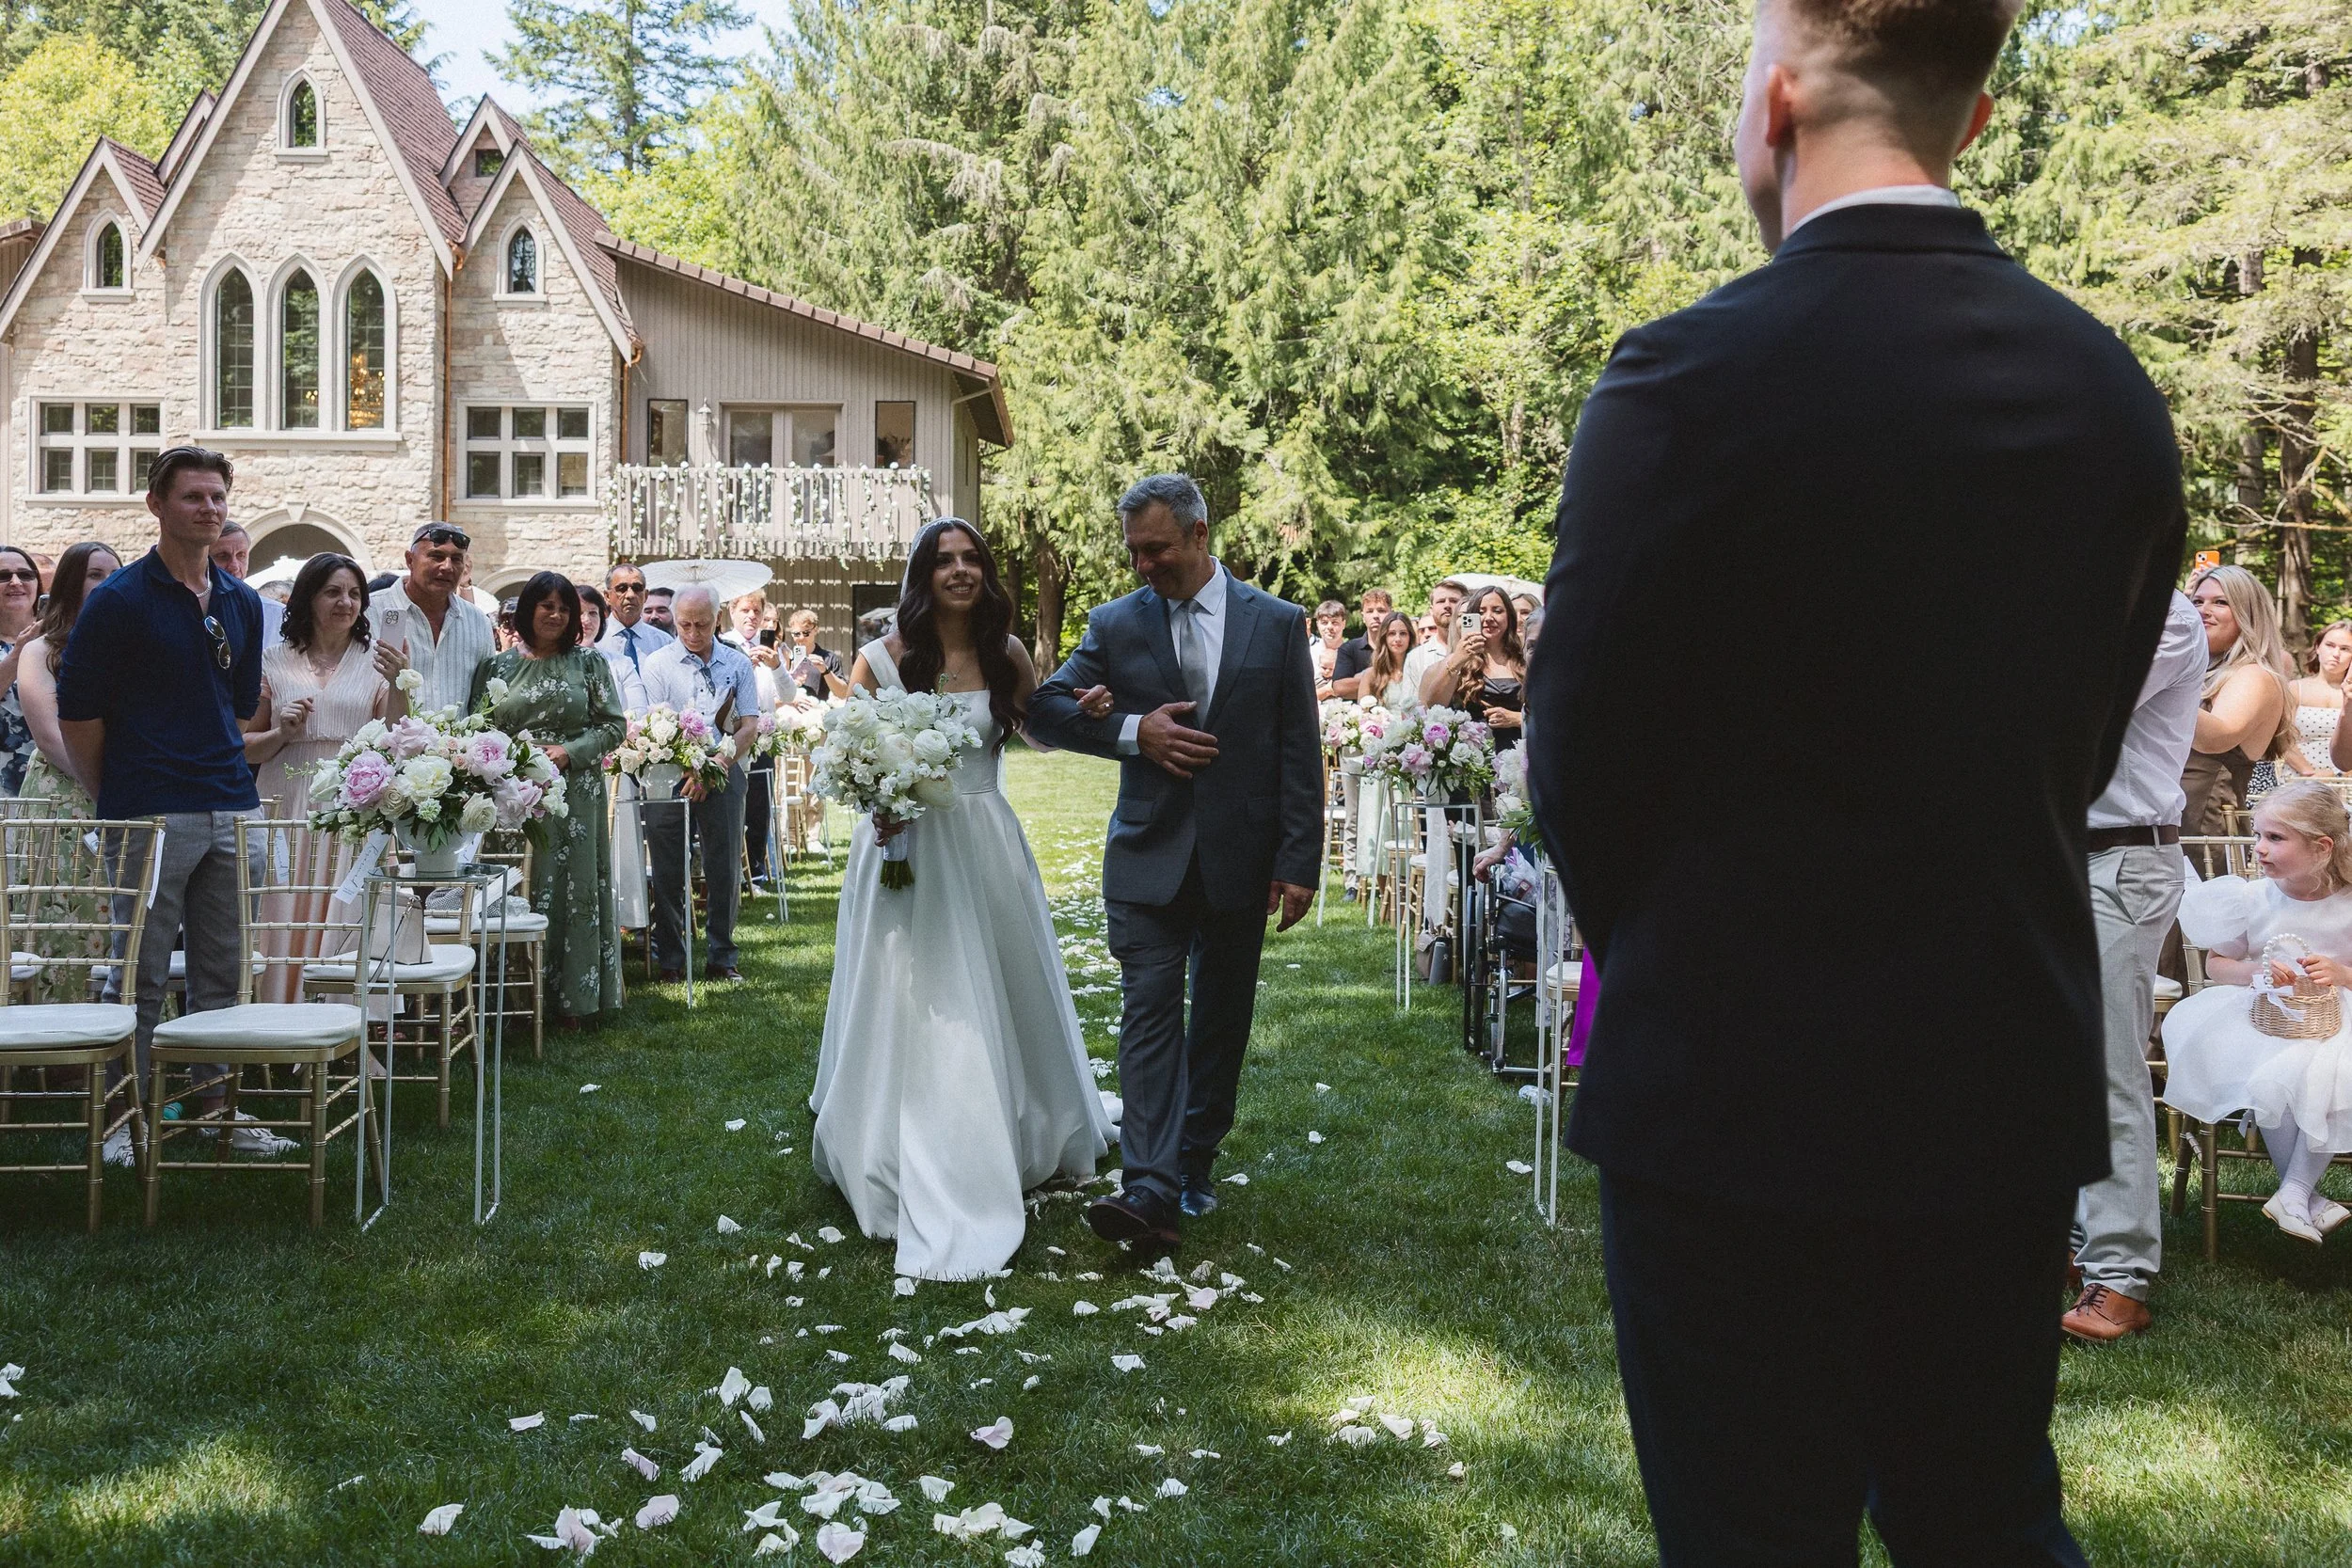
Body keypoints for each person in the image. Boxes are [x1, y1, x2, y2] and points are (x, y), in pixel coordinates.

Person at [1522, 0, 2186, 1558]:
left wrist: (1690, 959)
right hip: (1992, 1081)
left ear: (1775, 105)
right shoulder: (2112, 401)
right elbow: (2076, 750)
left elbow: (1581, 760)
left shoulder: (1682, 380)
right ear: (1970, 118)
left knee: (1750, 1533)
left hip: (1726, 1096)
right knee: (1985, 1519)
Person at [811, 518, 1113, 1277]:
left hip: (983, 842)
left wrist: (1091, 712)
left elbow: (1038, 731)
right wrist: (876, 798)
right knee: (912, 995)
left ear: (985, 571)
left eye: (971, 558)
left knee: (996, 986)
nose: (959, 570)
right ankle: (889, 1140)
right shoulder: (882, 659)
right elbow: (850, 751)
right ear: (922, 574)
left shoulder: (1005, 652)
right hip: (905, 846)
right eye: (943, 560)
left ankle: (1010, 1125)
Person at [1029, 472, 1323, 1250]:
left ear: (1199, 534)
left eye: (1155, 549)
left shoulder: (1279, 622)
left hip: (1242, 856)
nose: (1142, 566)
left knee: (1220, 1019)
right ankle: (1149, 1186)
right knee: (1150, 1010)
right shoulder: (1116, 624)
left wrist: (1300, 861)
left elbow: (1299, 750)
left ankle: (1193, 1162)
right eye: (1133, 552)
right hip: (1148, 855)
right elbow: (1047, 709)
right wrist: (1132, 731)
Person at [57, 447, 287, 1152]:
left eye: (218, 496)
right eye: (194, 497)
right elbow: (79, 713)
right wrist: (116, 796)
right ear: (156, 505)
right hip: (150, 810)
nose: (210, 509)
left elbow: (243, 702)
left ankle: (218, 1111)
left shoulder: (243, 601)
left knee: (225, 970)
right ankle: (125, 1119)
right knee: (141, 971)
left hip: (231, 804)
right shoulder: (119, 600)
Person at [2062, 589, 2202, 1344]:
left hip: (2125, 859)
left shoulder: (2167, 616)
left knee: (2109, 1063)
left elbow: (2074, 709)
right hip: (2051, 855)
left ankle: (2120, 1275)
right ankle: (2062, 1243)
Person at [2163, 781, 2352, 1243]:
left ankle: (2294, 1190)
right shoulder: (2252, 899)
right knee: (2275, 1068)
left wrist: (2342, 972)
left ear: (2322, 847)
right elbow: (2216, 966)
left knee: (2327, 1067)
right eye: (2258, 835)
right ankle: (2300, 1194)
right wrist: (2259, 971)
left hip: (2337, 1018)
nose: (2259, 849)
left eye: (2275, 838)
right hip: (2262, 1016)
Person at [241, 554, 410, 1003]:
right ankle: (278, 1016)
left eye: (355, 594)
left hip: (354, 805)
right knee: (283, 905)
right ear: (308, 599)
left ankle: (348, 1024)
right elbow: (243, 746)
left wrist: (398, 684)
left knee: (349, 908)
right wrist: (282, 731)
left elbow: (395, 739)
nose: (346, 602)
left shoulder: (378, 662)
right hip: (287, 801)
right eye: (333, 592)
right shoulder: (273, 661)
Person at [471, 573, 628, 1026]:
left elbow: (613, 725)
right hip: (509, 792)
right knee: (515, 884)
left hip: (573, 791)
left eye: (565, 608)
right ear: (527, 611)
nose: (556, 615)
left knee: (571, 887)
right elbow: (477, 726)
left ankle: (572, 999)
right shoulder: (496, 668)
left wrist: (569, 752)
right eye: (547, 606)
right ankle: (507, 1000)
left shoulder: (589, 663)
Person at [11, 543, 121, 1006]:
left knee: (122, 918)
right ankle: (53, 1043)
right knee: (62, 914)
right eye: (96, 574)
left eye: (115, 574)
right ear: (72, 582)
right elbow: (49, 734)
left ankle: (124, 1039)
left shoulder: (132, 645)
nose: (107, 584)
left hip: (123, 793)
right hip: (65, 797)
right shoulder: (40, 649)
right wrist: (104, 787)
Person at [641, 585, 760, 983]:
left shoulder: (737, 663)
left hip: (724, 769)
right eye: (685, 624)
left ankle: (722, 956)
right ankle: (671, 959)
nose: (693, 632)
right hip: (667, 773)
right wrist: (691, 768)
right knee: (667, 865)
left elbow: (749, 725)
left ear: (718, 619)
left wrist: (718, 765)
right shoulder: (657, 663)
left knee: (724, 866)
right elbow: (655, 724)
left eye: (702, 624)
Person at [2180, 564, 2292, 834]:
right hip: (2162, 819)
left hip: (2205, 828)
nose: (2202, 610)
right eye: (2196, 601)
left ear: (2248, 614)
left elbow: (2215, 737)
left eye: (2220, 602)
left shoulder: (2255, 676)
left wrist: (2157, 680)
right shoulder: (2194, 672)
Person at [368, 523, 495, 719]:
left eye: (456, 559)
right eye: (436, 556)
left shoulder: (478, 622)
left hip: (457, 748)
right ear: (410, 560)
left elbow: (482, 700)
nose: (447, 566)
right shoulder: (370, 612)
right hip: (382, 747)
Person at [1350, 611, 1421, 889]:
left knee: (1405, 818)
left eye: (1403, 633)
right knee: (1379, 817)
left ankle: (1408, 881)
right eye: (1392, 633)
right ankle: (1382, 883)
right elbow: (1363, 717)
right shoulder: (1372, 675)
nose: (1398, 639)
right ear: (1383, 638)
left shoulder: (1417, 670)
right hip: (1381, 755)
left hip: (1410, 753)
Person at [723, 590, 786, 889]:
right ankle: (731, 871)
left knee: (759, 806)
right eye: (745, 610)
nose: (751, 617)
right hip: (731, 737)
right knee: (732, 806)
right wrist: (741, 666)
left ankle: (757, 871)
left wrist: (775, 666)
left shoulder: (770, 647)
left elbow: (787, 695)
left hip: (762, 737)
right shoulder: (723, 644)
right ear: (732, 611)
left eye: (757, 612)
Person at [1419, 585, 1526, 750]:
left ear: (1509, 617)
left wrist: (1518, 719)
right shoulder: (1459, 660)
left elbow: (1551, 714)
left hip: (1521, 757)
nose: (1489, 618)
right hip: (1474, 761)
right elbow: (1434, 705)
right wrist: (1458, 660)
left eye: (1497, 611)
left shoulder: (1524, 659)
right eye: (1481, 612)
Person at [2276, 618, 2352, 784]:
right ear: (2318, 647)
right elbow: (2282, 736)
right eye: (2330, 645)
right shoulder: (2295, 688)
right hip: (2298, 778)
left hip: (2347, 782)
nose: (2336, 654)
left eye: (2345, 649)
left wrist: (2338, 776)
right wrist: (2308, 772)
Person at [596, 562, 673, 708]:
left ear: (646, 595)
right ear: (607, 596)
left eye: (637, 588)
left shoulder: (664, 643)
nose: (630, 595)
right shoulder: (596, 640)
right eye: (621, 588)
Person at [0, 546, 44, 794]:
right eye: (3, 576)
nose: (15, 582)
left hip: (55, 788)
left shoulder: (65, 638)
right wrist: (19, 653)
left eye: (25, 575)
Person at [208, 521, 284, 645]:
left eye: (241, 555)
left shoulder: (276, 616)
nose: (235, 566)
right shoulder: (189, 611)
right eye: (222, 556)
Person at [1402, 579, 1467, 696]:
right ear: (1431, 610)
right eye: (1441, 601)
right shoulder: (1415, 657)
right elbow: (1409, 706)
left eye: (1454, 601)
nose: (1447, 605)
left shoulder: (1482, 649)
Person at [1328, 587, 1392, 700]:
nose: (1375, 616)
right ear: (1363, 616)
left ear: (1391, 613)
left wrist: (1358, 680)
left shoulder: (1400, 647)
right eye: (1370, 611)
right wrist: (1388, 680)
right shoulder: (1349, 649)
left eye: (1381, 610)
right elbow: (1339, 688)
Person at [786, 609, 850, 701]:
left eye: (806, 633)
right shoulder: (787, 657)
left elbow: (843, 693)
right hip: (791, 711)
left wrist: (825, 671)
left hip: (821, 710)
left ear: (815, 630)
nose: (801, 637)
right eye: (796, 634)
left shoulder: (829, 658)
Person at [1310, 599, 1348, 694]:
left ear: (1343, 624)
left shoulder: (1352, 652)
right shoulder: (1308, 654)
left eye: (1335, 622)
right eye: (1324, 623)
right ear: (1317, 624)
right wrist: (1327, 690)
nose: (1329, 627)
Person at [576, 584, 609, 648]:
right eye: (578, 613)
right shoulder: (552, 657)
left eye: (592, 613)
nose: (586, 620)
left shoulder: (619, 658)